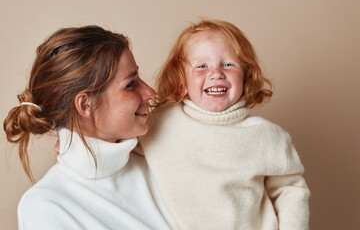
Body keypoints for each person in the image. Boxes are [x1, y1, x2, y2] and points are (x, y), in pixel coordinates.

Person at [139, 20, 310, 230]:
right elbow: (118, 146)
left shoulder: (267, 136)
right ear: (181, 80)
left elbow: (290, 189)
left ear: (246, 76)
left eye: (228, 64)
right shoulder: (160, 122)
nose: (216, 73)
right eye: (202, 66)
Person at [3, 26, 178, 230]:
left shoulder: (160, 158)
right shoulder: (45, 208)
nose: (150, 91)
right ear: (85, 105)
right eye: (130, 84)